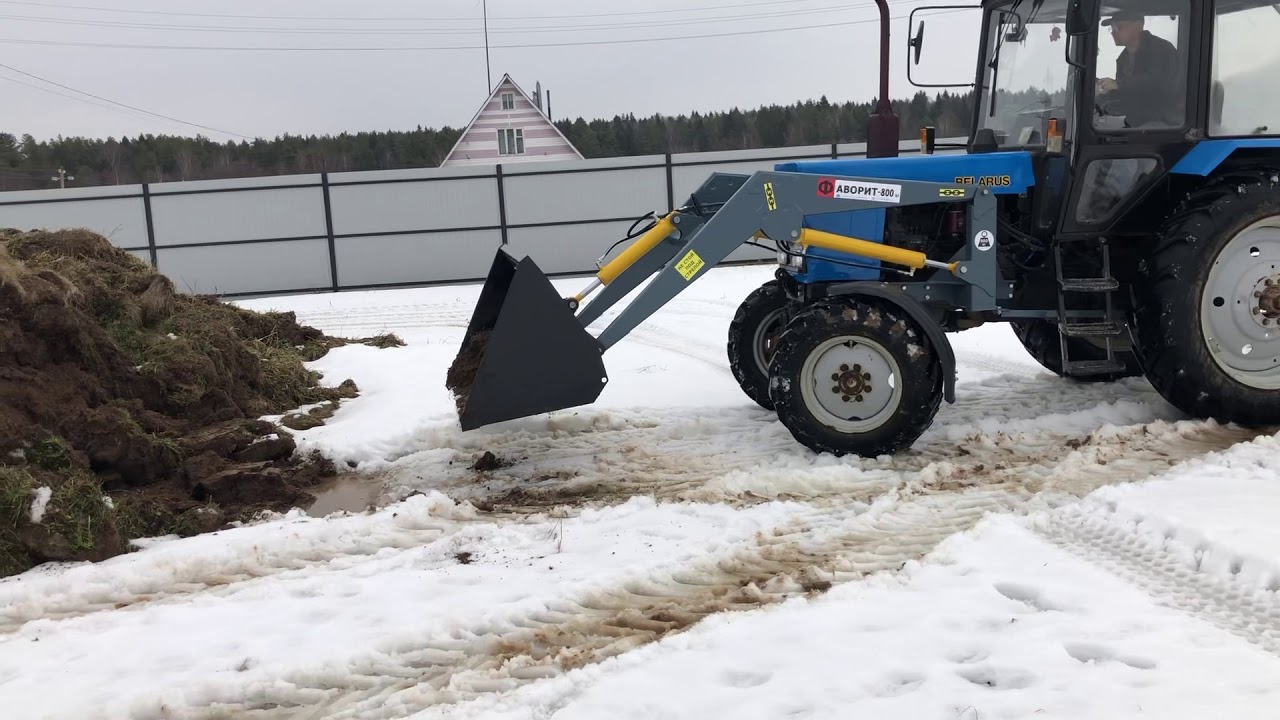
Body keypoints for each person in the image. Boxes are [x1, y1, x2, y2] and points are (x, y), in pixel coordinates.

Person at [1095, 11, 1183, 128]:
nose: (1113, 33)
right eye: (1111, 29)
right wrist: (1104, 94)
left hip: (1167, 122)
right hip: (1137, 123)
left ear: (1139, 25)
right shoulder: (1123, 58)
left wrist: (1119, 85)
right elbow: (1130, 95)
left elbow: (1157, 83)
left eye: (1118, 27)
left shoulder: (1161, 49)